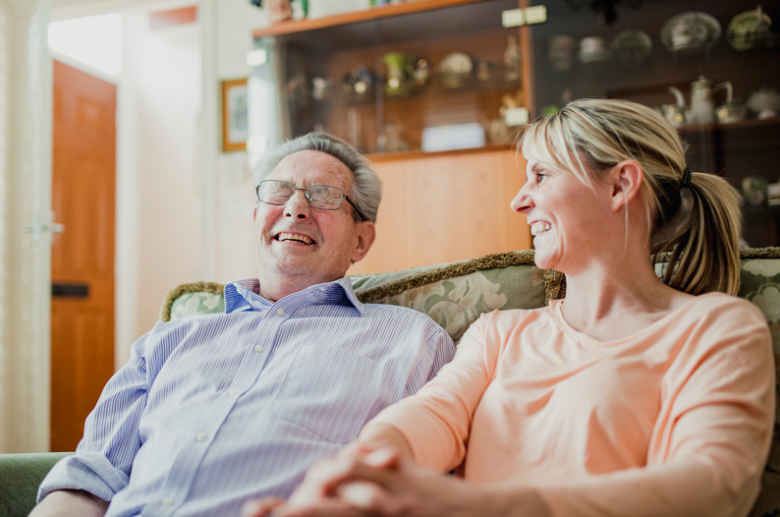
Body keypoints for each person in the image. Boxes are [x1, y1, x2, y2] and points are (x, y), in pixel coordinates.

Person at [246, 99, 775, 517]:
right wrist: (354, 476)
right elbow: (432, 416)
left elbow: (713, 487)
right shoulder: (500, 331)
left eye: (541, 176)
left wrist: (472, 507)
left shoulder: (715, 327)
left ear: (620, 185)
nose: (518, 200)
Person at [31, 132, 455, 517]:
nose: (295, 208)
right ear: (256, 218)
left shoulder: (413, 342)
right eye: (280, 192)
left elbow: (431, 493)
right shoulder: (166, 341)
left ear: (361, 240)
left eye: (323, 195)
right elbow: (90, 479)